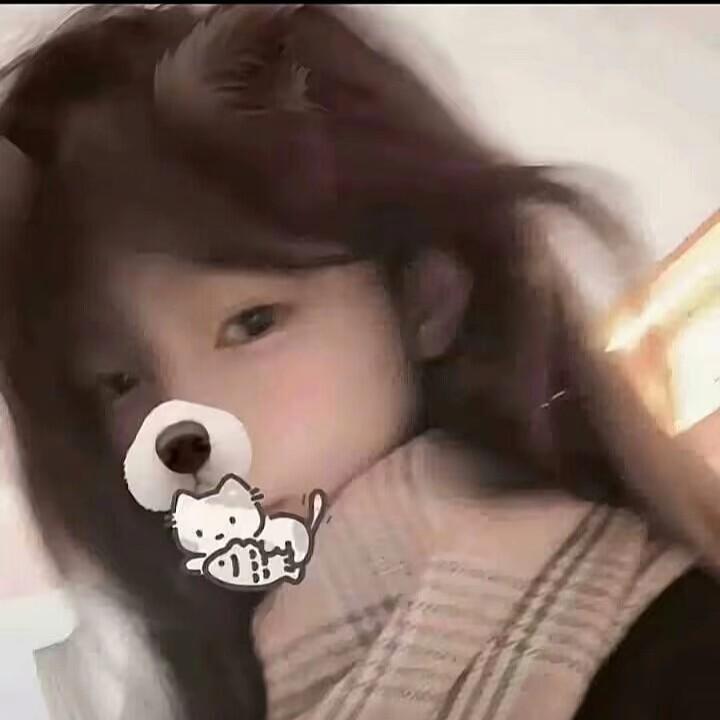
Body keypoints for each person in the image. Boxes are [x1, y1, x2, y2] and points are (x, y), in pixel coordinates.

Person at [1, 5, 720, 720]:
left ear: (426, 299)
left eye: (252, 322)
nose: (186, 421)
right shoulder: (225, 678)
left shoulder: (676, 651)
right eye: (120, 381)